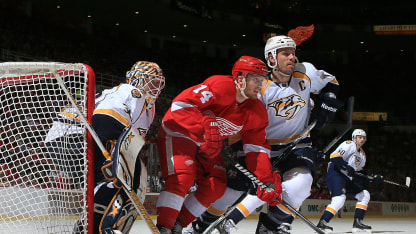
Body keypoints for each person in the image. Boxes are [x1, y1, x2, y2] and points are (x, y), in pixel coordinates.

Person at [188, 35, 342, 234]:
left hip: (297, 145)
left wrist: (328, 101)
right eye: (285, 54)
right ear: (271, 59)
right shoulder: (259, 87)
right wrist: (239, 150)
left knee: (301, 184)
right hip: (260, 148)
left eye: (293, 53)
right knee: (230, 193)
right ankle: (198, 227)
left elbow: (332, 82)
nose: (291, 58)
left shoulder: (306, 72)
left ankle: (270, 227)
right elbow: (240, 121)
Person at [155, 56, 283, 234]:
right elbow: (179, 106)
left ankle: (176, 225)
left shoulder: (257, 111)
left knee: (216, 186)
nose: (260, 85)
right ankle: (163, 227)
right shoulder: (220, 86)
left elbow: (257, 150)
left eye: (263, 80)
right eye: (256, 80)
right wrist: (204, 127)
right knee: (182, 178)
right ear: (239, 78)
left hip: (208, 143)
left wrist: (265, 180)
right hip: (180, 132)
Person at [72, 61, 165, 234]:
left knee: (119, 179)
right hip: (96, 129)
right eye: (151, 81)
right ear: (136, 78)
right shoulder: (131, 91)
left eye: (158, 83)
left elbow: (133, 141)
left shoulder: (144, 105)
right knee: (114, 179)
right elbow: (111, 122)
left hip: (87, 132)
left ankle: (92, 226)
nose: (155, 87)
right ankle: (98, 227)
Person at [317, 129, 383, 233]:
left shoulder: (362, 155)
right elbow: (334, 157)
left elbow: (357, 173)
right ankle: (322, 223)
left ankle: (357, 223)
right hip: (335, 173)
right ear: (354, 138)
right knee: (339, 199)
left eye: (363, 138)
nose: (362, 139)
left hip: (346, 178)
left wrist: (372, 177)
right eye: (359, 137)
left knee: (364, 194)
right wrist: (346, 167)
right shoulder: (348, 144)